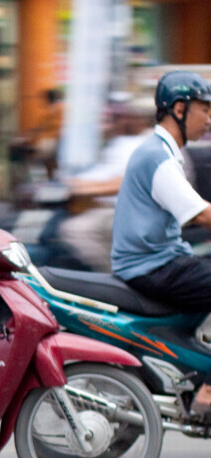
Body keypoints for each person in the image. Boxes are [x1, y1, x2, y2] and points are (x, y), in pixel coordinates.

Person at [111, 71, 211, 416]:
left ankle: (197, 376)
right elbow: (199, 214)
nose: (209, 119)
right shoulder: (158, 156)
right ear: (179, 109)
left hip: (160, 260)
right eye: (204, 109)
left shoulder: (164, 152)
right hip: (152, 266)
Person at [58, 99, 155, 272]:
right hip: (115, 208)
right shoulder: (124, 142)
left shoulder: (149, 143)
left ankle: (113, 277)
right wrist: (73, 184)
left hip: (135, 212)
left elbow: (124, 181)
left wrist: (83, 189)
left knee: (76, 230)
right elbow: (103, 174)